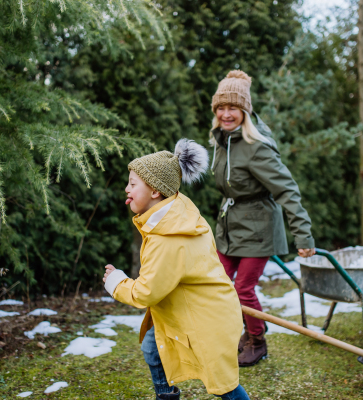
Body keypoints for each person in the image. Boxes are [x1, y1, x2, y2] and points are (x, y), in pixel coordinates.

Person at [102, 139, 250, 400]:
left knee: (222, 384)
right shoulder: (178, 212)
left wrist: (117, 282)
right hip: (187, 310)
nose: (127, 189)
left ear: (156, 191)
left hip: (206, 319)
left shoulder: (168, 237)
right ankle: (166, 395)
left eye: (133, 184)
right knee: (152, 348)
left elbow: (147, 291)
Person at [209, 70, 316, 367]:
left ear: (245, 110)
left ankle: (257, 340)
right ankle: (249, 326)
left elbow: (288, 190)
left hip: (259, 228)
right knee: (216, 280)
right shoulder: (222, 140)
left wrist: (303, 236)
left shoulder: (257, 148)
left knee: (242, 288)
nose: (226, 114)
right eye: (221, 107)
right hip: (230, 225)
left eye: (233, 107)